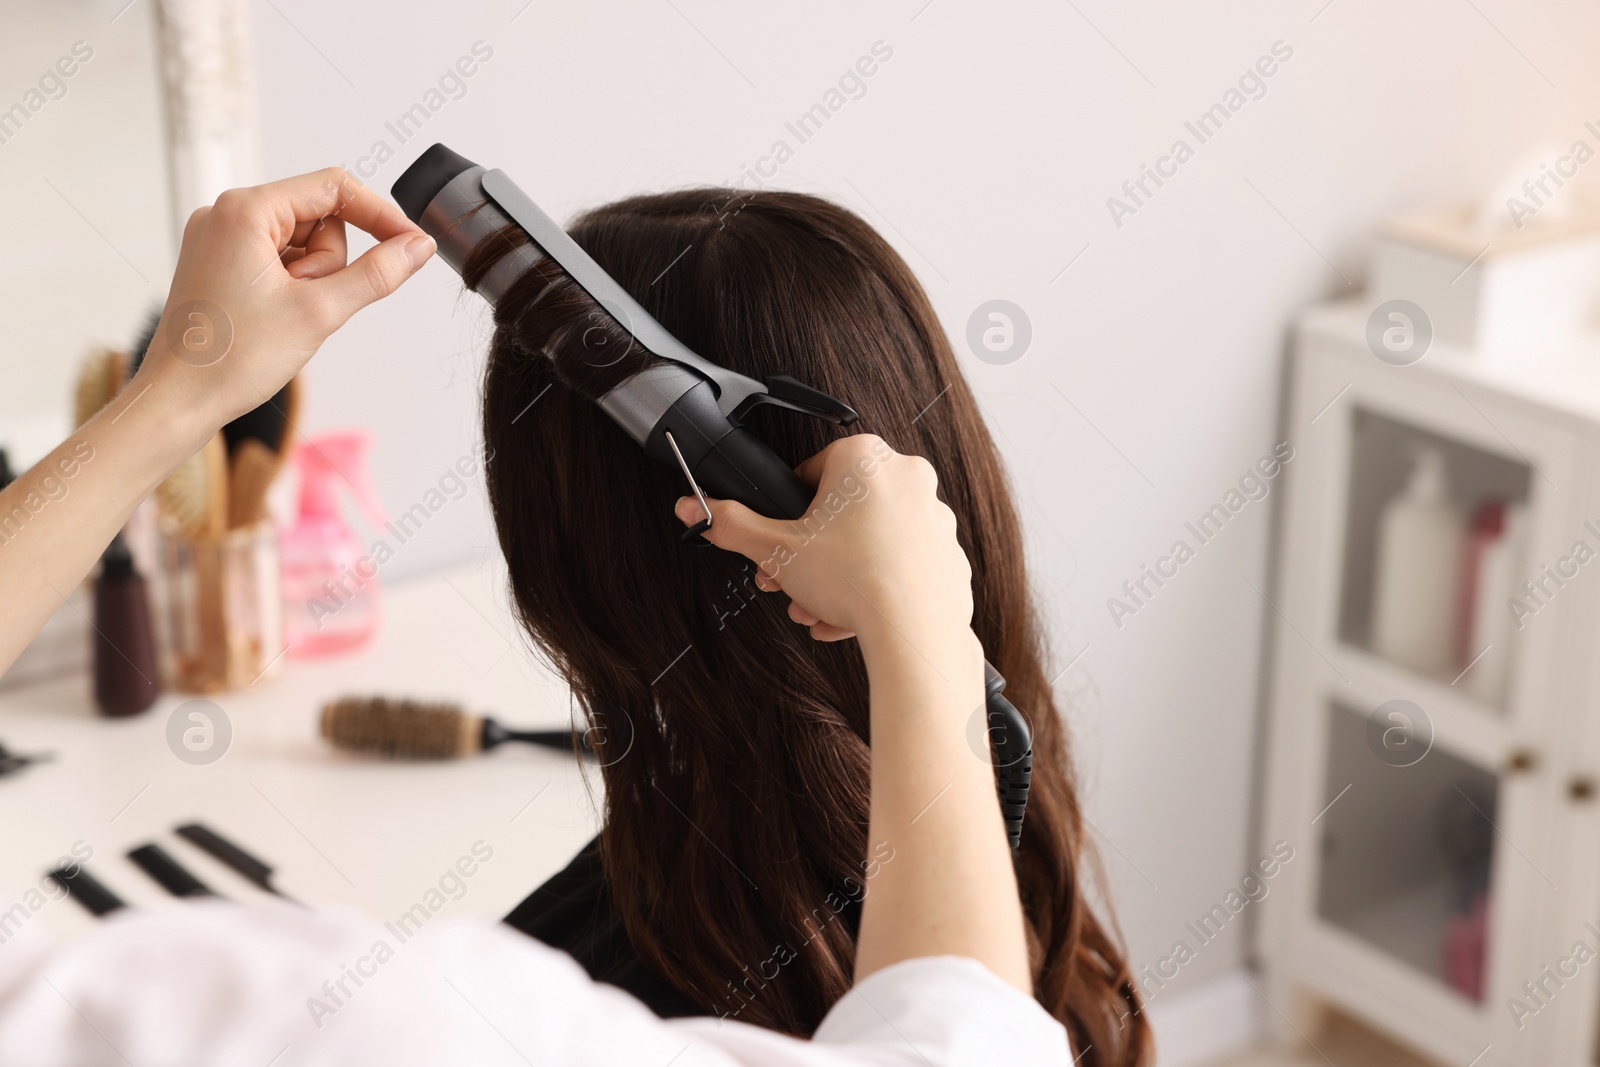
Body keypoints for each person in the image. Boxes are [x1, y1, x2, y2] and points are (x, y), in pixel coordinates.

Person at [0, 170, 1076, 1064]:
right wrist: (923, 625)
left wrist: (178, 393)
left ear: (562, 568)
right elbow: (964, 1036)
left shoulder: (430, 1015)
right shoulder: (461, 1018)